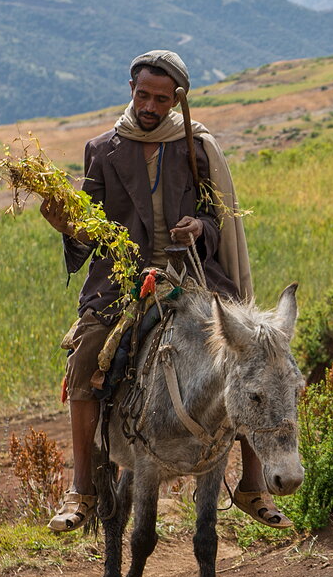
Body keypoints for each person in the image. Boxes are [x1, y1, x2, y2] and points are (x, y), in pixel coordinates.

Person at [40, 48, 288, 534]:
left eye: (160, 98)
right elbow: (91, 230)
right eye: (142, 95)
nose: (149, 107)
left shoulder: (196, 148)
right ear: (130, 91)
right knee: (87, 359)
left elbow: (218, 220)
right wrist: (67, 226)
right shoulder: (101, 150)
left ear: (176, 99)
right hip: (121, 280)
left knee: (246, 354)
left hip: (190, 275)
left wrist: (199, 226)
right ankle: (83, 488)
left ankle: (253, 482)